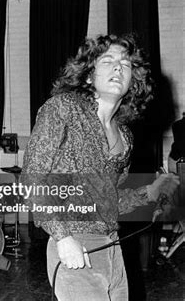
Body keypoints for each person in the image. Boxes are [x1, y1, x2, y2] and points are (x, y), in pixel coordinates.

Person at [22, 34, 179, 300]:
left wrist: (151, 192)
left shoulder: (126, 136)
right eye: (107, 61)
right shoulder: (63, 109)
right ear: (87, 76)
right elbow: (32, 180)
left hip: (113, 247)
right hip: (74, 242)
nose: (118, 67)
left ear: (133, 82)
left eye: (126, 64)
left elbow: (110, 199)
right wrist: (63, 238)